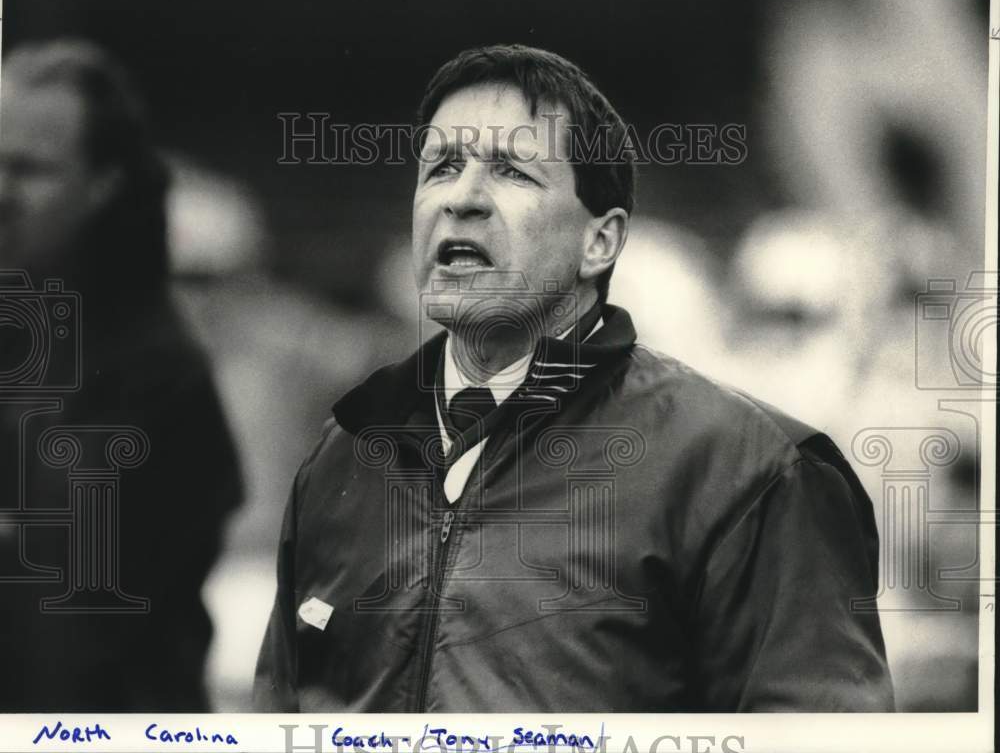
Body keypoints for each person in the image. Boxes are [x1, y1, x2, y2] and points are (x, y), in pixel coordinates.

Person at [254, 44, 894, 712]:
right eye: (440, 167)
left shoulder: (754, 469)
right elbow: (278, 712)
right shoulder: (342, 450)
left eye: (512, 171)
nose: (461, 199)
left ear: (602, 241)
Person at [0, 40, 242, 710]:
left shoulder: (156, 374)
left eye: (28, 170)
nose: (0, 193)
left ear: (103, 183)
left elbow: (71, 630)